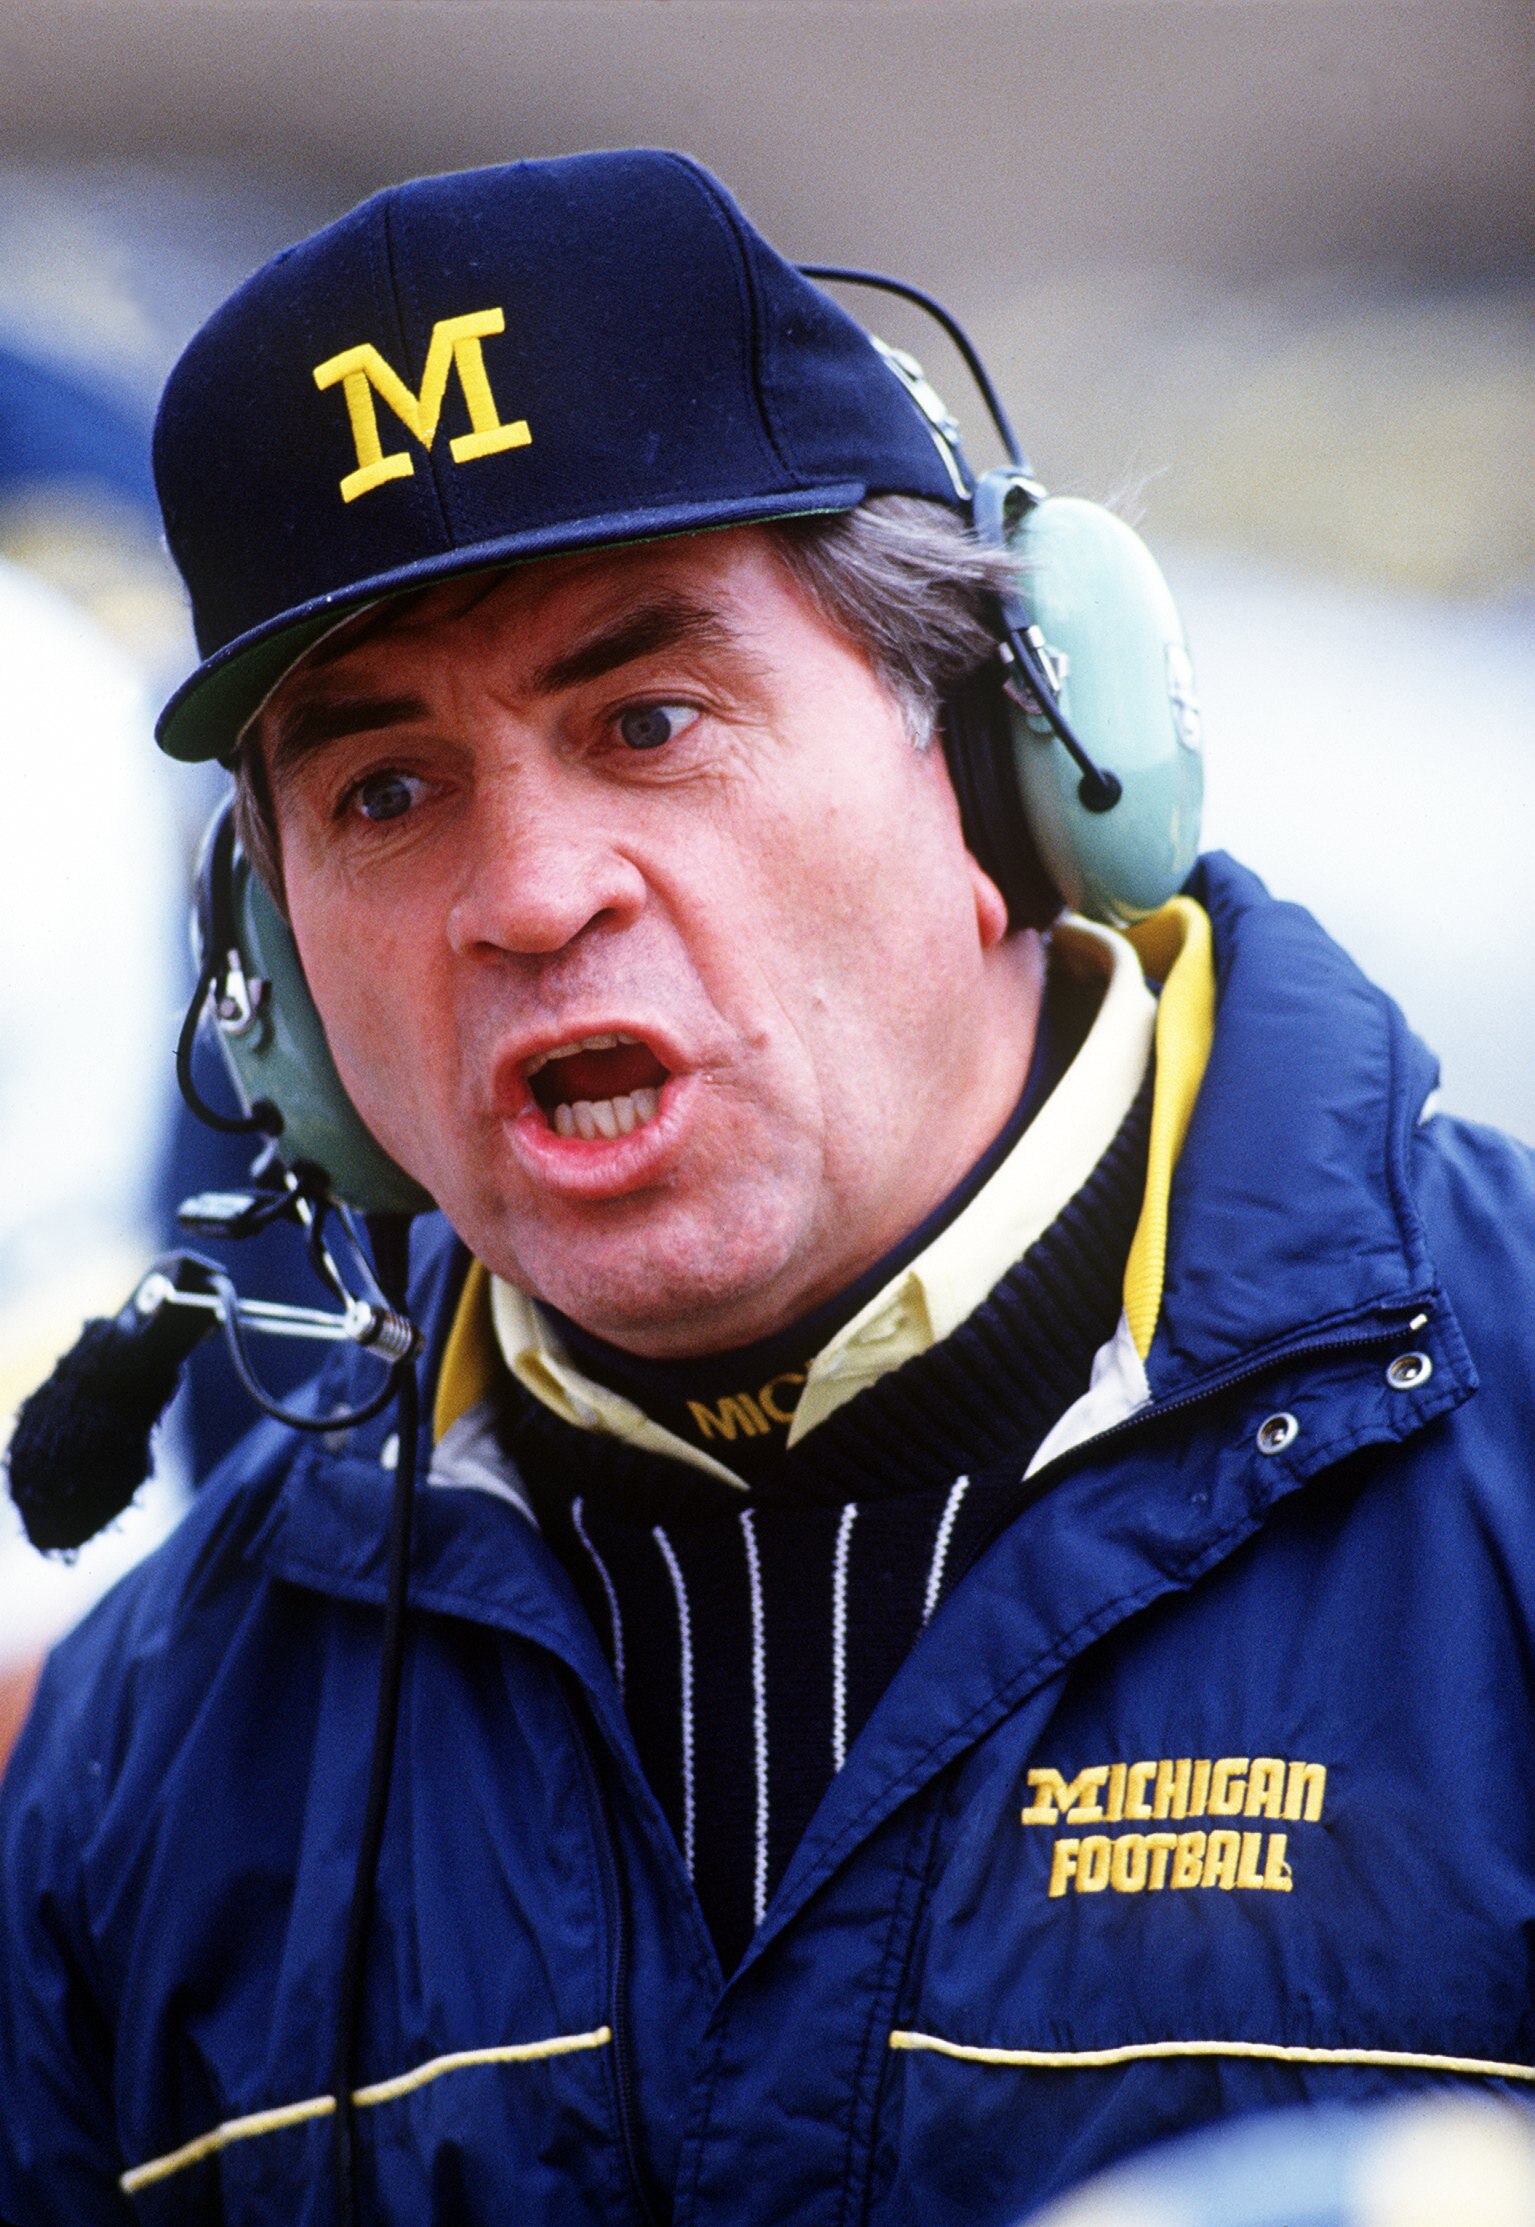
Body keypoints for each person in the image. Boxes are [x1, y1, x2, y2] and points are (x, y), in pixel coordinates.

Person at [3, 149, 1534, 2227]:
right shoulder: (144, 1760)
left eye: (648, 719)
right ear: (269, 983)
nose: (532, 895)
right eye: (387, 790)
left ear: (1007, 751)